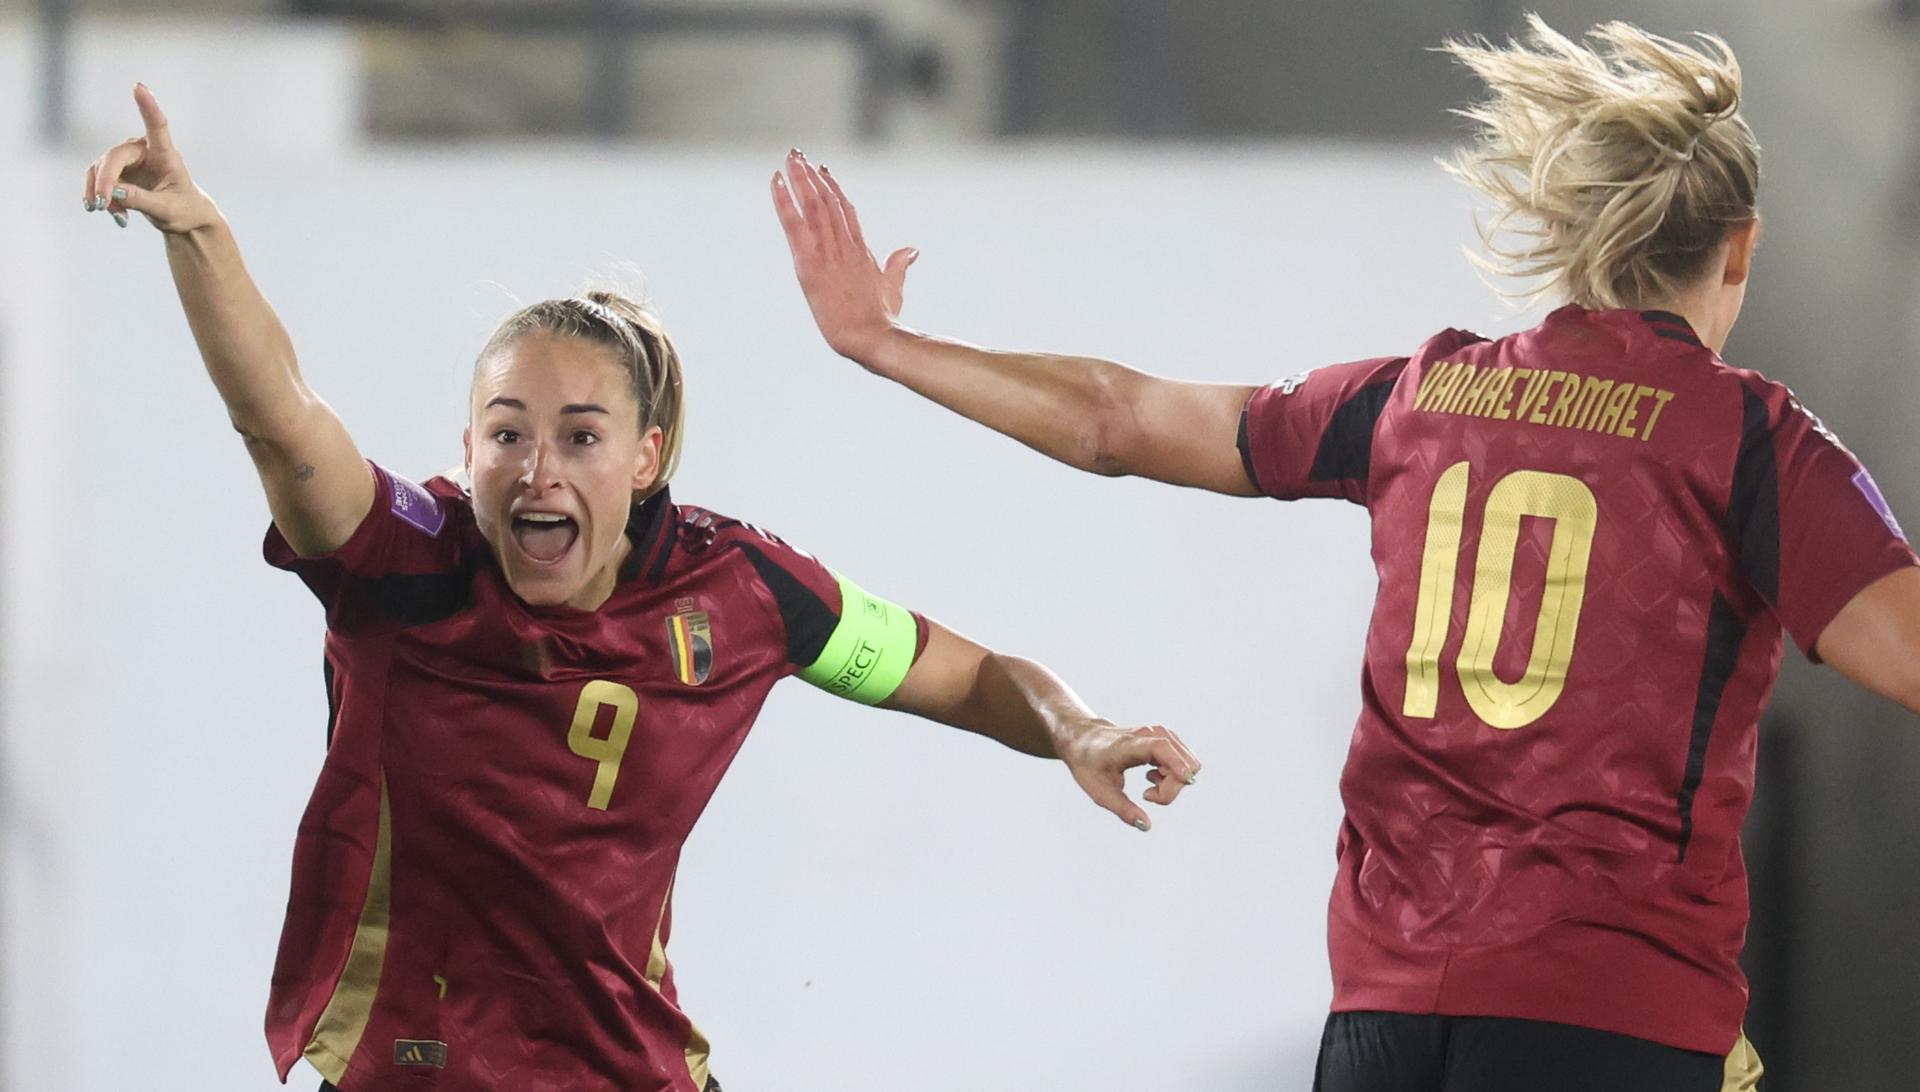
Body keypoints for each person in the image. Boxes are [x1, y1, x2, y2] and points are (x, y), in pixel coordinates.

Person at [772, 16, 1920, 1092]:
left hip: (1384, 1025)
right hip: (1616, 1011)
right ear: (1741, 249)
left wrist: (887, 342)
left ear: (1567, 238)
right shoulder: (1746, 437)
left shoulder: (1418, 398)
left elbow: (1119, 417)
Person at [83, 84, 1202, 1092]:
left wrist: (1078, 731)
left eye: (580, 437)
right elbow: (279, 418)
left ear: (647, 458)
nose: (539, 470)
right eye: (508, 435)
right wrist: (200, 231)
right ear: (466, 450)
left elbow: (960, 676)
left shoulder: (742, 591)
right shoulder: (401, 563)